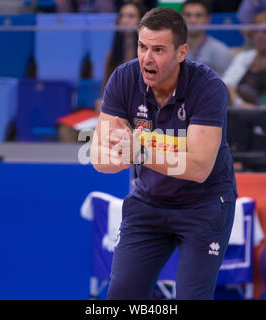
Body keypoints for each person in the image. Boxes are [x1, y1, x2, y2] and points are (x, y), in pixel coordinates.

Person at [91, 7, 237, 300]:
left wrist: (141, 152)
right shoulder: (123, 78)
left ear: (181, 52)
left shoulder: (209, 87)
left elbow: (198, 167)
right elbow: (99, 157)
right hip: (149, 201)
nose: (147, 57)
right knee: (120, 298)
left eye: (158, 49)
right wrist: (121, 155)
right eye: (142, 46)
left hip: (203, 204)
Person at [58, 1, 145, 142]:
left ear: (141, 21)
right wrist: (102, 101)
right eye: (122, 16)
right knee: (66, 130)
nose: (125, 20)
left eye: (131, 16)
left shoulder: (150, 56)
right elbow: (106, 90)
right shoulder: (111, 56)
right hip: (112, 113)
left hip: (137, 115)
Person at [223, 12, 266, 109]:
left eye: (265, 31)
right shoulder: (243, 57)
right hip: (238, 111)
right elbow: (226, 85)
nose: (259, 36)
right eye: (256, 32)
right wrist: (240, 104)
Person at [181, 0, 233, 77]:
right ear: (181, 19)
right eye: (188, 15)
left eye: (198, 15)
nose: (193, 20)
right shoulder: (173, 49)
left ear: (208, 19)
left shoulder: (221, 51)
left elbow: (225, 85)